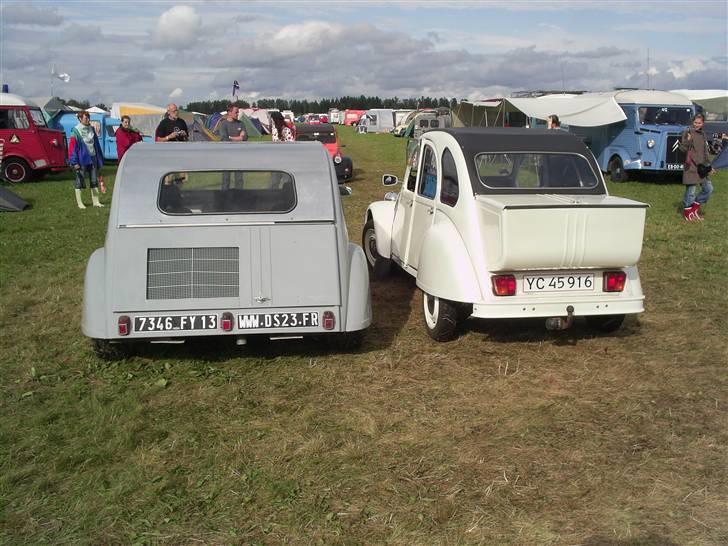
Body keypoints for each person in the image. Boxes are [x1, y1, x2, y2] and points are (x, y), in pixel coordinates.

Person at [679, 113, 714, 221]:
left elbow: (704, 152)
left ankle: (694, 209)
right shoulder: (687, 132)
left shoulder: (703, 133)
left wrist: (709, 166)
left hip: (702, 167)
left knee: (708, 189)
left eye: (699, 123)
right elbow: (683, 149)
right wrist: (688, 140)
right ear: (692, 122)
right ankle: (688, 213)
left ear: (702, 123)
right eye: (695, 122)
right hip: (692, 167)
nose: (697, 125)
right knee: (691, 192)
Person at [68, 111, 104, 209]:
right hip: (81, 160)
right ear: (80, 119)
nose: (88, 119)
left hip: (93, 158)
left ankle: (96, 202)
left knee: (94, 181)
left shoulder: (91, 129)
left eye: (88, 118)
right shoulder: (75, 131)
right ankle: (80, 203)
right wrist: (74, 162)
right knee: (80, 181)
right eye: (85, 118)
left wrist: (99, 159)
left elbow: (96, 144)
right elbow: (72, 148)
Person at [218, 104, 247, 190]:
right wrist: (239, 138)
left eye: (238, 112)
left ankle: (239, 198)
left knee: (239, 180)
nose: (238, 114)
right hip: (226, 156)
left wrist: (231, 137)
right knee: (226, 180)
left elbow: (245, 137)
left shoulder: (241, 124)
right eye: (236, 112)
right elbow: (225, 138)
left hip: (239, 156)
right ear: (229, 112)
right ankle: (224, 199)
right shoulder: (223, 124)